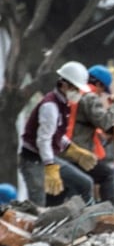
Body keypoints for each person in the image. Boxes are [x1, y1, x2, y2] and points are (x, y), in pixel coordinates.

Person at [17, 60, 95, 207]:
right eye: (76, 89)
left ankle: (87, 221)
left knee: (85, 184)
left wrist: (74, 150)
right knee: (38, 205)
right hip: (33, 161)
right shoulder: (50, 106)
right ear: (64, 85)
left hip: (47, 158)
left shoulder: (62, 104)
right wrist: (50, 166)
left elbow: (56, 135)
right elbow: (43, 140)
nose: (78, 93)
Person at [64, 64, 114, 204]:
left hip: (65, 151)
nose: (101, 94)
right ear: (98, 83)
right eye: (102, 89)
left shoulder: (72, 93)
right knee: (107, 175)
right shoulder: (90, 97)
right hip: (79, 154)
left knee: (77, 187)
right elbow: (105, 122)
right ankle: (110, 210)